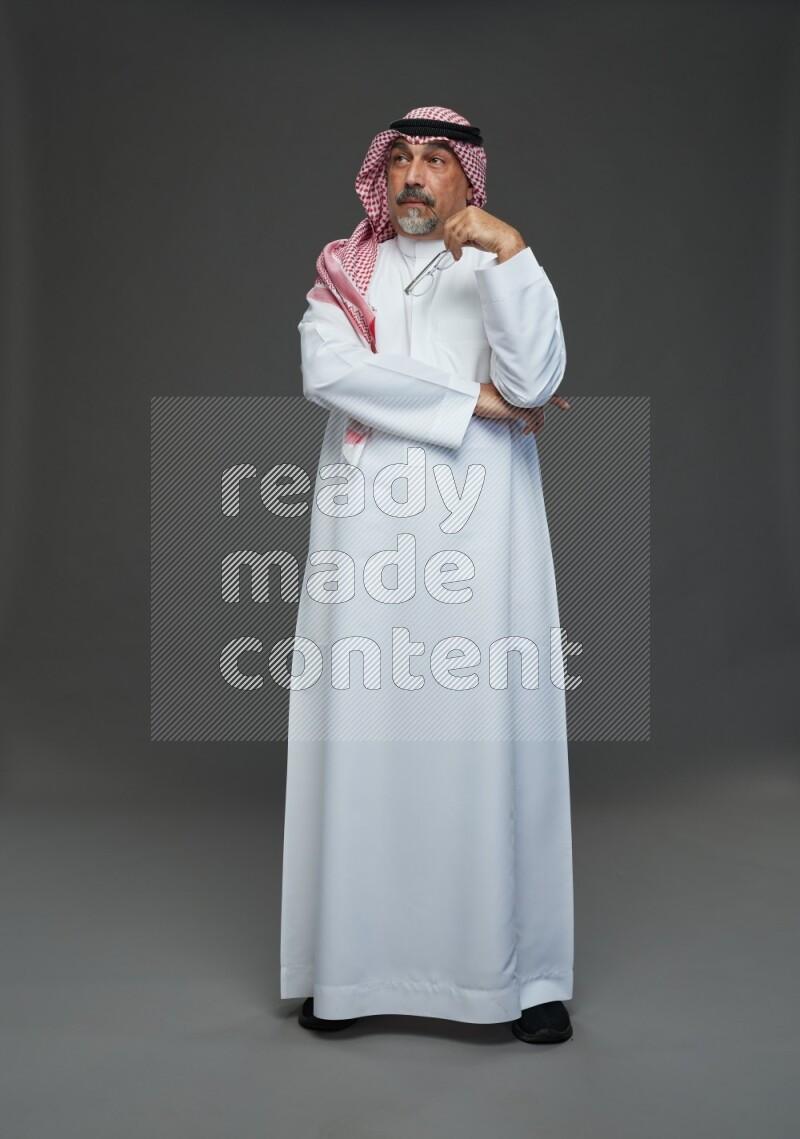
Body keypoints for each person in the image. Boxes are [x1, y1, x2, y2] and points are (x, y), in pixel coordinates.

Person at [279, 106, 574, 1045]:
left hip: (481, 531)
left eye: (435, 161)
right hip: (367, 535)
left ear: (466, 180)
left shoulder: (500, 267)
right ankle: (349, 971)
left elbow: (539, 379)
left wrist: (516, 252)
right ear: (381, 174)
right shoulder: (344, 271)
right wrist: (477, 400)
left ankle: (521, 977)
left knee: (490, 732)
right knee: (364, 732)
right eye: (399, 158)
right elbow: (330, 373)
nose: (413, 175)